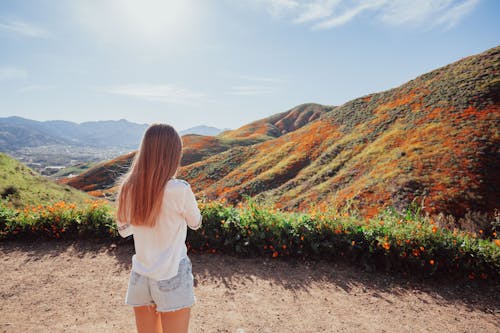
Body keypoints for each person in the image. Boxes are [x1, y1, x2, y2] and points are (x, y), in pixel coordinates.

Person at [116, 123, 202, 333]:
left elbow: (124, 230)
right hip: (171, 273)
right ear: (173, 154)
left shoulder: (129, 187)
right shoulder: (179, 190)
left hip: (141, 274)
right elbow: (195, 223)